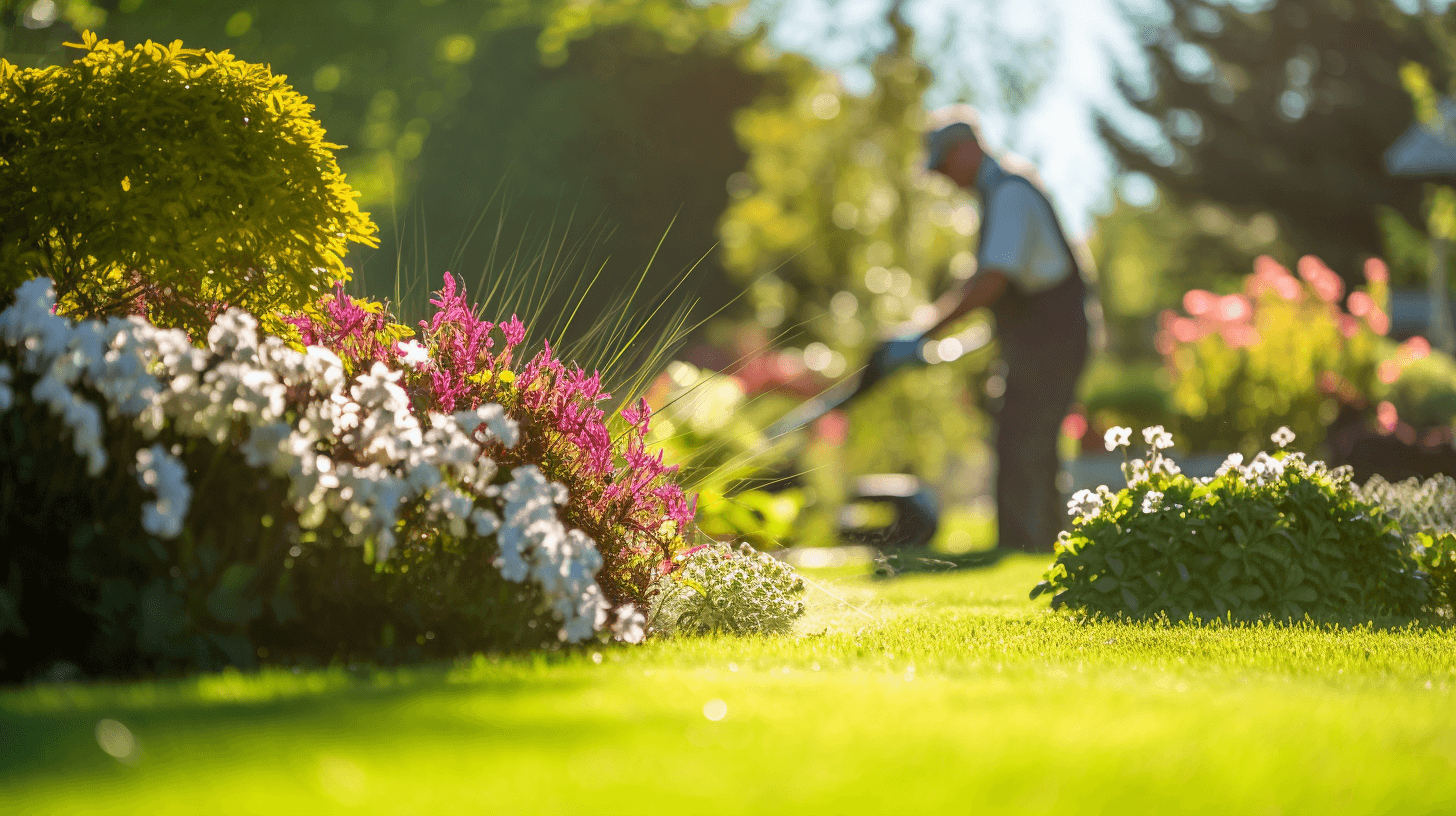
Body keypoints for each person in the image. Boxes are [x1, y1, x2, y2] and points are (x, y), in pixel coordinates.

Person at [869, 112, 1093, 553]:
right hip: (1040, 340)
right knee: (1023, 444)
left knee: (1025, 446)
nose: (945, 180)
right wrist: (943, 345)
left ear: (967, 150)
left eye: (944, 165)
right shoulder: (1000, 193)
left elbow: (990, 283)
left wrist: (923, 333)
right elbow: (1003, 307)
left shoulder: (1009, 193)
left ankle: (1029, 550)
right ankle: (1035, 547)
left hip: (1052, 342)